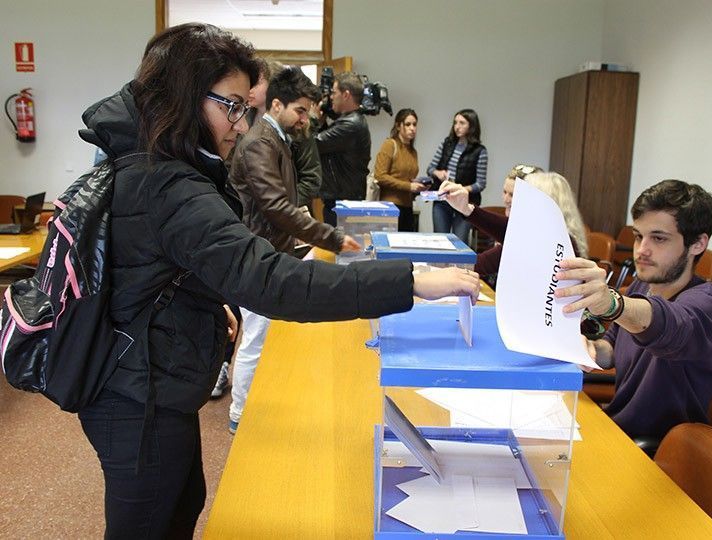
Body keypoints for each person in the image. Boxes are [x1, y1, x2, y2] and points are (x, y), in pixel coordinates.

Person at [75, 23, 479, 539]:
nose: (241, 125)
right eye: (234, 105)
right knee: (154, 517)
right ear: (186, 93)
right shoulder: (168, 183)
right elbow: (274, 282)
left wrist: (200, 295)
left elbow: (154, 262)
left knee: (181, 499)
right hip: (135, 391)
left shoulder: (152, 162)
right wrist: (411, 281)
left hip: (145, 379)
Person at [227, 66, 361, 433]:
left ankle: (250, 407)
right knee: (255, 337)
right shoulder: (259, 143)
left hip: (271, 250)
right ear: (276, 104)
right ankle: (240, 413)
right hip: (255, 254)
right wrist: (330, 237)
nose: (305, 119)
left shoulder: (278, 140)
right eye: (300, 110)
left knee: (264, 335)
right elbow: (275, 207)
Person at [556, 179, 712, 446]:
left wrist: (614, 303)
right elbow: (611, 347)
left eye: (658, 238)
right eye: (638, 236)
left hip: (654, 457)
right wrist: (591, 349)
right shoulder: (644, 285)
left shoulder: (708, 305)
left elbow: (670, 324)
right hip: (614, 432)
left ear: (698, 244)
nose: (641, 250)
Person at [439, 168, 588, 281]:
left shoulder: (558, 244)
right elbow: (484, 262)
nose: (511, 201)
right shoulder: (530, 236)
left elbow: (508, 232)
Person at [316, 71, 371, 226]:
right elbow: (327, 145)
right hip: (342, 200)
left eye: (334, 93)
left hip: (343, 204)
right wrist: (321, 123)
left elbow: (315, 144)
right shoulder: (350, 121)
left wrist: (313, 119)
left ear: (346, 95)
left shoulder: (351, 124)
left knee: (340, 249)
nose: (331, 97)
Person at [427, 108, 488, 244]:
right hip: (443, 200)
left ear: (471, 126)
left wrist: (459, 189)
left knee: (460, 241)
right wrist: (438, 173)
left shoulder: (480, 151)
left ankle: (457, 266)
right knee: (439, 240)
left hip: (465, 202)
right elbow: (430, 168)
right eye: (455, 123)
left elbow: (480, 183)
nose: (457, 127)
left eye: (462, 123)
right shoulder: (446, 144)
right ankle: (439, 265)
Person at [374, 108, 425, 231]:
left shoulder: (413, 152)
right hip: (390, 206)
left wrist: (419, 188)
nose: (412, 128)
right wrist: (409, 186)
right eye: (408, 124)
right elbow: (380, 175)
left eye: (414, 124)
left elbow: (408, 180)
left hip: (408, 206)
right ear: (398, 126)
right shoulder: (390, 145)